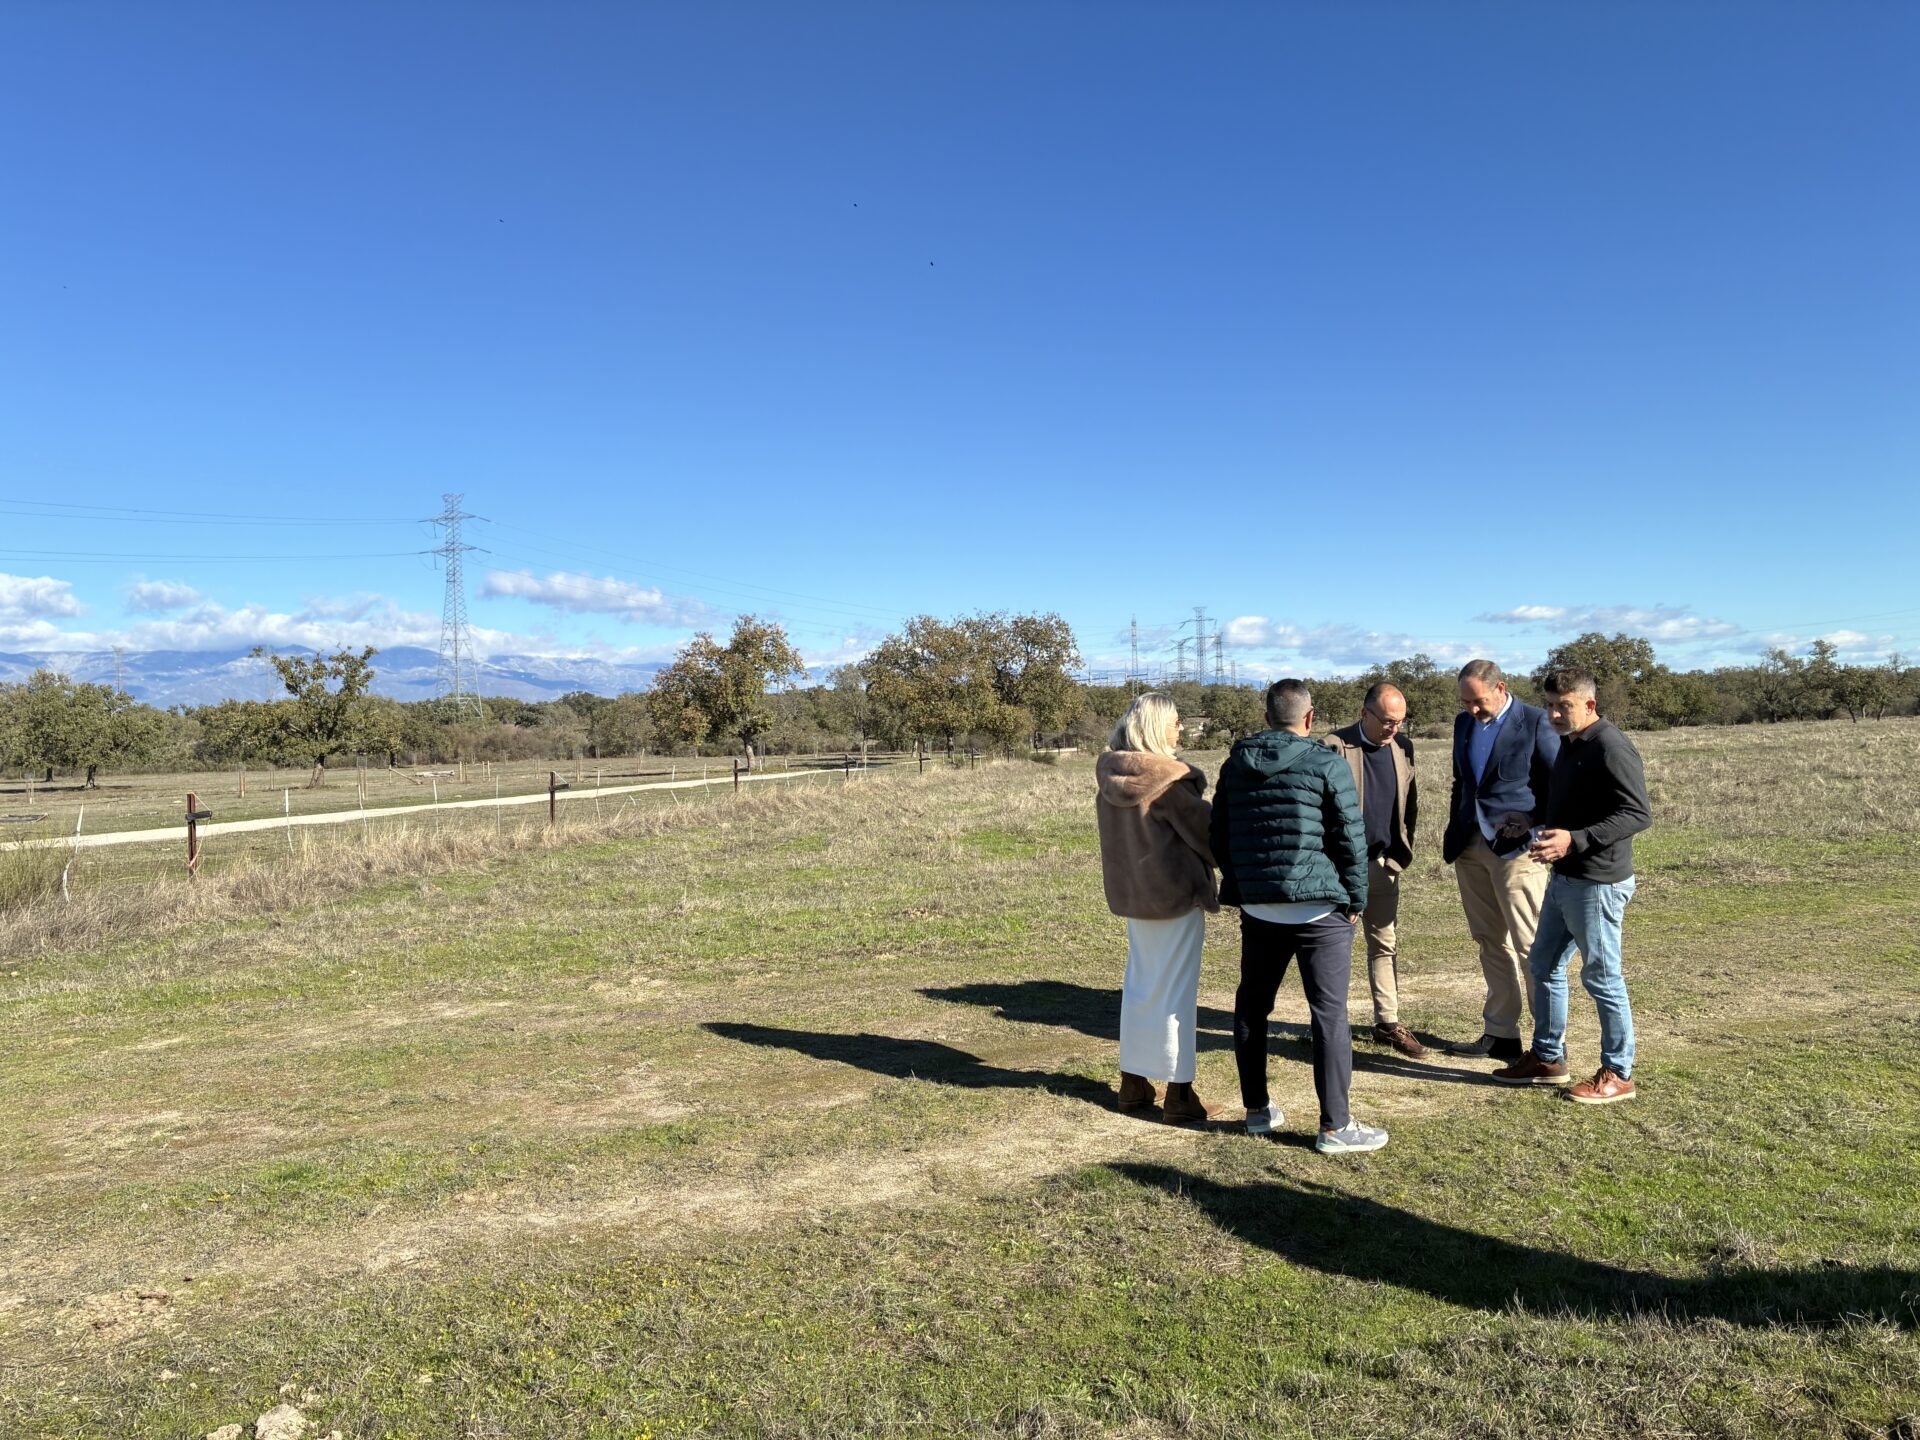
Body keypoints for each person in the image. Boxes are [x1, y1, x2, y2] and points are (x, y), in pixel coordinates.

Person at [1211, 679, 1388, 1155]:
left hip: (1259, 905)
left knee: (1252, 1006)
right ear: (1309, 719)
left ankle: (1256, 1111)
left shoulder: (1234, 766)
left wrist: (1246, 881)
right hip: (1319, 908)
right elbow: (1350, 837)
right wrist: (1355, 898)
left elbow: (1218, 835)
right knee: (1328, 1012)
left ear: (1267, 717)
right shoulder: (1327, 762)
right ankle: (1335, 1126)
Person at [1492, 667, 1653, 1103]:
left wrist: (1575, 840)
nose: (1555, 714)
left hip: (1598, 881)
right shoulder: (1569, 743)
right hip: (1564, 878)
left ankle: (1619, 1073)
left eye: (1564, 705)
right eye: (1550, 705)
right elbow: (1565, 800)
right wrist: (1533, 818)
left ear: (1589, 704)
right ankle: (1547, 1059)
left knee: (1601, 976)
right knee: (1543, 965)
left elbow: (1637, 813)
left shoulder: (1610, 746)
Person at [1095, 692, 1221, 1123]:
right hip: (1175, 898)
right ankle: (1179, 1094)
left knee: (1142, 988)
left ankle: (1134, 1084)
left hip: (1134, 898)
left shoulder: (1111, 778)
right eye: (1175, 721)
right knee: (1176, 996)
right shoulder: (1170, 784)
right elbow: (1210, 840)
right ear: (1154, 726)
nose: (1180, 728)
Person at [1442, 659, 1561, 1061]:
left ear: (1501, 688)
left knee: (1531, 945)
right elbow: (1464, 783)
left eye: (1477, 701)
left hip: (1518, 850)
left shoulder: (1536, 721)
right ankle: (1501, 1033)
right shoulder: (1463, 724)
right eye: (1464, 702)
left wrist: (1534, 822)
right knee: (1489, 940)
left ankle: (1547, 1048)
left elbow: (1556, 783)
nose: (1471, 710)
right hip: (1471, 844)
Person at [1323, 683, 1425, 1058]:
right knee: (1333, 949)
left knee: (1384, 944)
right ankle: (1331, 1028)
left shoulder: (1403, 747)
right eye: (1386, 721)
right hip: (1339, 870)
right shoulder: (1333, 746)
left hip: (1384, 865)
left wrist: (1398, 857)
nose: (1393, 729)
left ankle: (1388, 1022)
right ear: (1364, 713)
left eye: (1400, 722)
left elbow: (1409, 807)